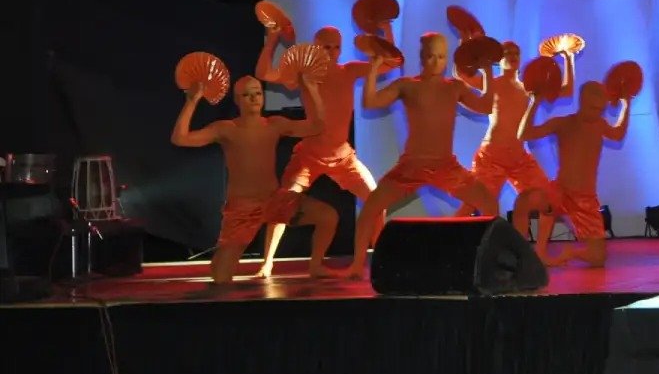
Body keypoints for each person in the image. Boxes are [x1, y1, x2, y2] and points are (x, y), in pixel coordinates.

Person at [343, 32, 498, 278]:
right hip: (411, 166)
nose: (436, 62)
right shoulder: (407, 85)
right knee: (371, 208)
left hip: (446, 165)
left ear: (447, 59)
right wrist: (373, 68)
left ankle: (486, 263)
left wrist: (488, 71)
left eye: (441, 57)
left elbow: (486, 106)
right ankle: (357, 265)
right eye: (430, 56)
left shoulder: (455, 86)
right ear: (421, 56)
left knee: (490, 204)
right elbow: (371, 102)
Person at [171, 74, 337, 284]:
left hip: (273, 201)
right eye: (247, 95)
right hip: (242, 209)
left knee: (328, 216)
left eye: (258, 93)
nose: (254, 98)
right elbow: (180, 138)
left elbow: (316, 126)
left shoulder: (274, 124)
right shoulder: (226, 129)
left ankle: (316, 266)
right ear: (237, 100)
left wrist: (312, 90)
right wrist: (192, 101)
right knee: (221, 277)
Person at [254, 24, 378, 278]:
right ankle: (266, 263)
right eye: (326, 47)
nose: (332, 52)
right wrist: (273, 38)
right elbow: (263, 72)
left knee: (377, 199)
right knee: (284, 203)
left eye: (336, 48)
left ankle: (378, 258)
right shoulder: (303, 73)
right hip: (310, 154)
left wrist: (382, 33)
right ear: (315, 47)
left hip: (342, 155)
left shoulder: (349, 70)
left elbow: (388, 62)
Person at [514, 80, 629, 267]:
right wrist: (534, 103)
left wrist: (626, 104)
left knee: (598, 258)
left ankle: (570, 253)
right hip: (561, 190)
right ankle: (535, 253)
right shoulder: (564, 123)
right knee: (526, 201)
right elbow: (524, 134)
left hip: (586, 199)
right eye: (593, 109)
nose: (597, 114)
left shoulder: (600, 125)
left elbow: (618, 134)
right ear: (582, 102)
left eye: (600, 110)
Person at [458, 40, 566, 226]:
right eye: (507, 52)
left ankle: (522, 243)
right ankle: (441, 241)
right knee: (473, 204)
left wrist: (568, 57)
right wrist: (468, 46)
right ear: (499, 59)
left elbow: (567, 89)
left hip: (519, 159)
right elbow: (462, 75)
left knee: (549, 200)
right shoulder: (492, 83)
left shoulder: (527, 88)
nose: (512, 56)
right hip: (491, 157)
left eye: (516, 52)